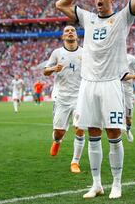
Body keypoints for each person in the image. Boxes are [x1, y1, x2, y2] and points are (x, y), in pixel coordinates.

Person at [56, 0, 135, 199]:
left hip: (110, 83)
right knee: (93, 133)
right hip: (88, 83)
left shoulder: (123, 17)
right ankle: (96, 184)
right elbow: (60, 4)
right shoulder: (88, 18)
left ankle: (117, 183)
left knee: (114, 134)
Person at [44, 25, 85, 173]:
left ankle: (75, 162)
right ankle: (57, 141)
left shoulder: (85, 53)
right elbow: (45, 71)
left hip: (80, 97)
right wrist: (54, 68)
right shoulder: (57, 53)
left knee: (80, 129)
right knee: (58, 131)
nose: (70, 33)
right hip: (61, 97)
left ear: (76, 35)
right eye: (66, 31)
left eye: (72, 30)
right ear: (63, 37)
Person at [121, 53, 135, 143]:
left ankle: (128, 129)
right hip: (114, 88)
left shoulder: (131, 58)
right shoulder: (111, 57)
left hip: (127, 90)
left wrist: (128, 77)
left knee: (128, 118)